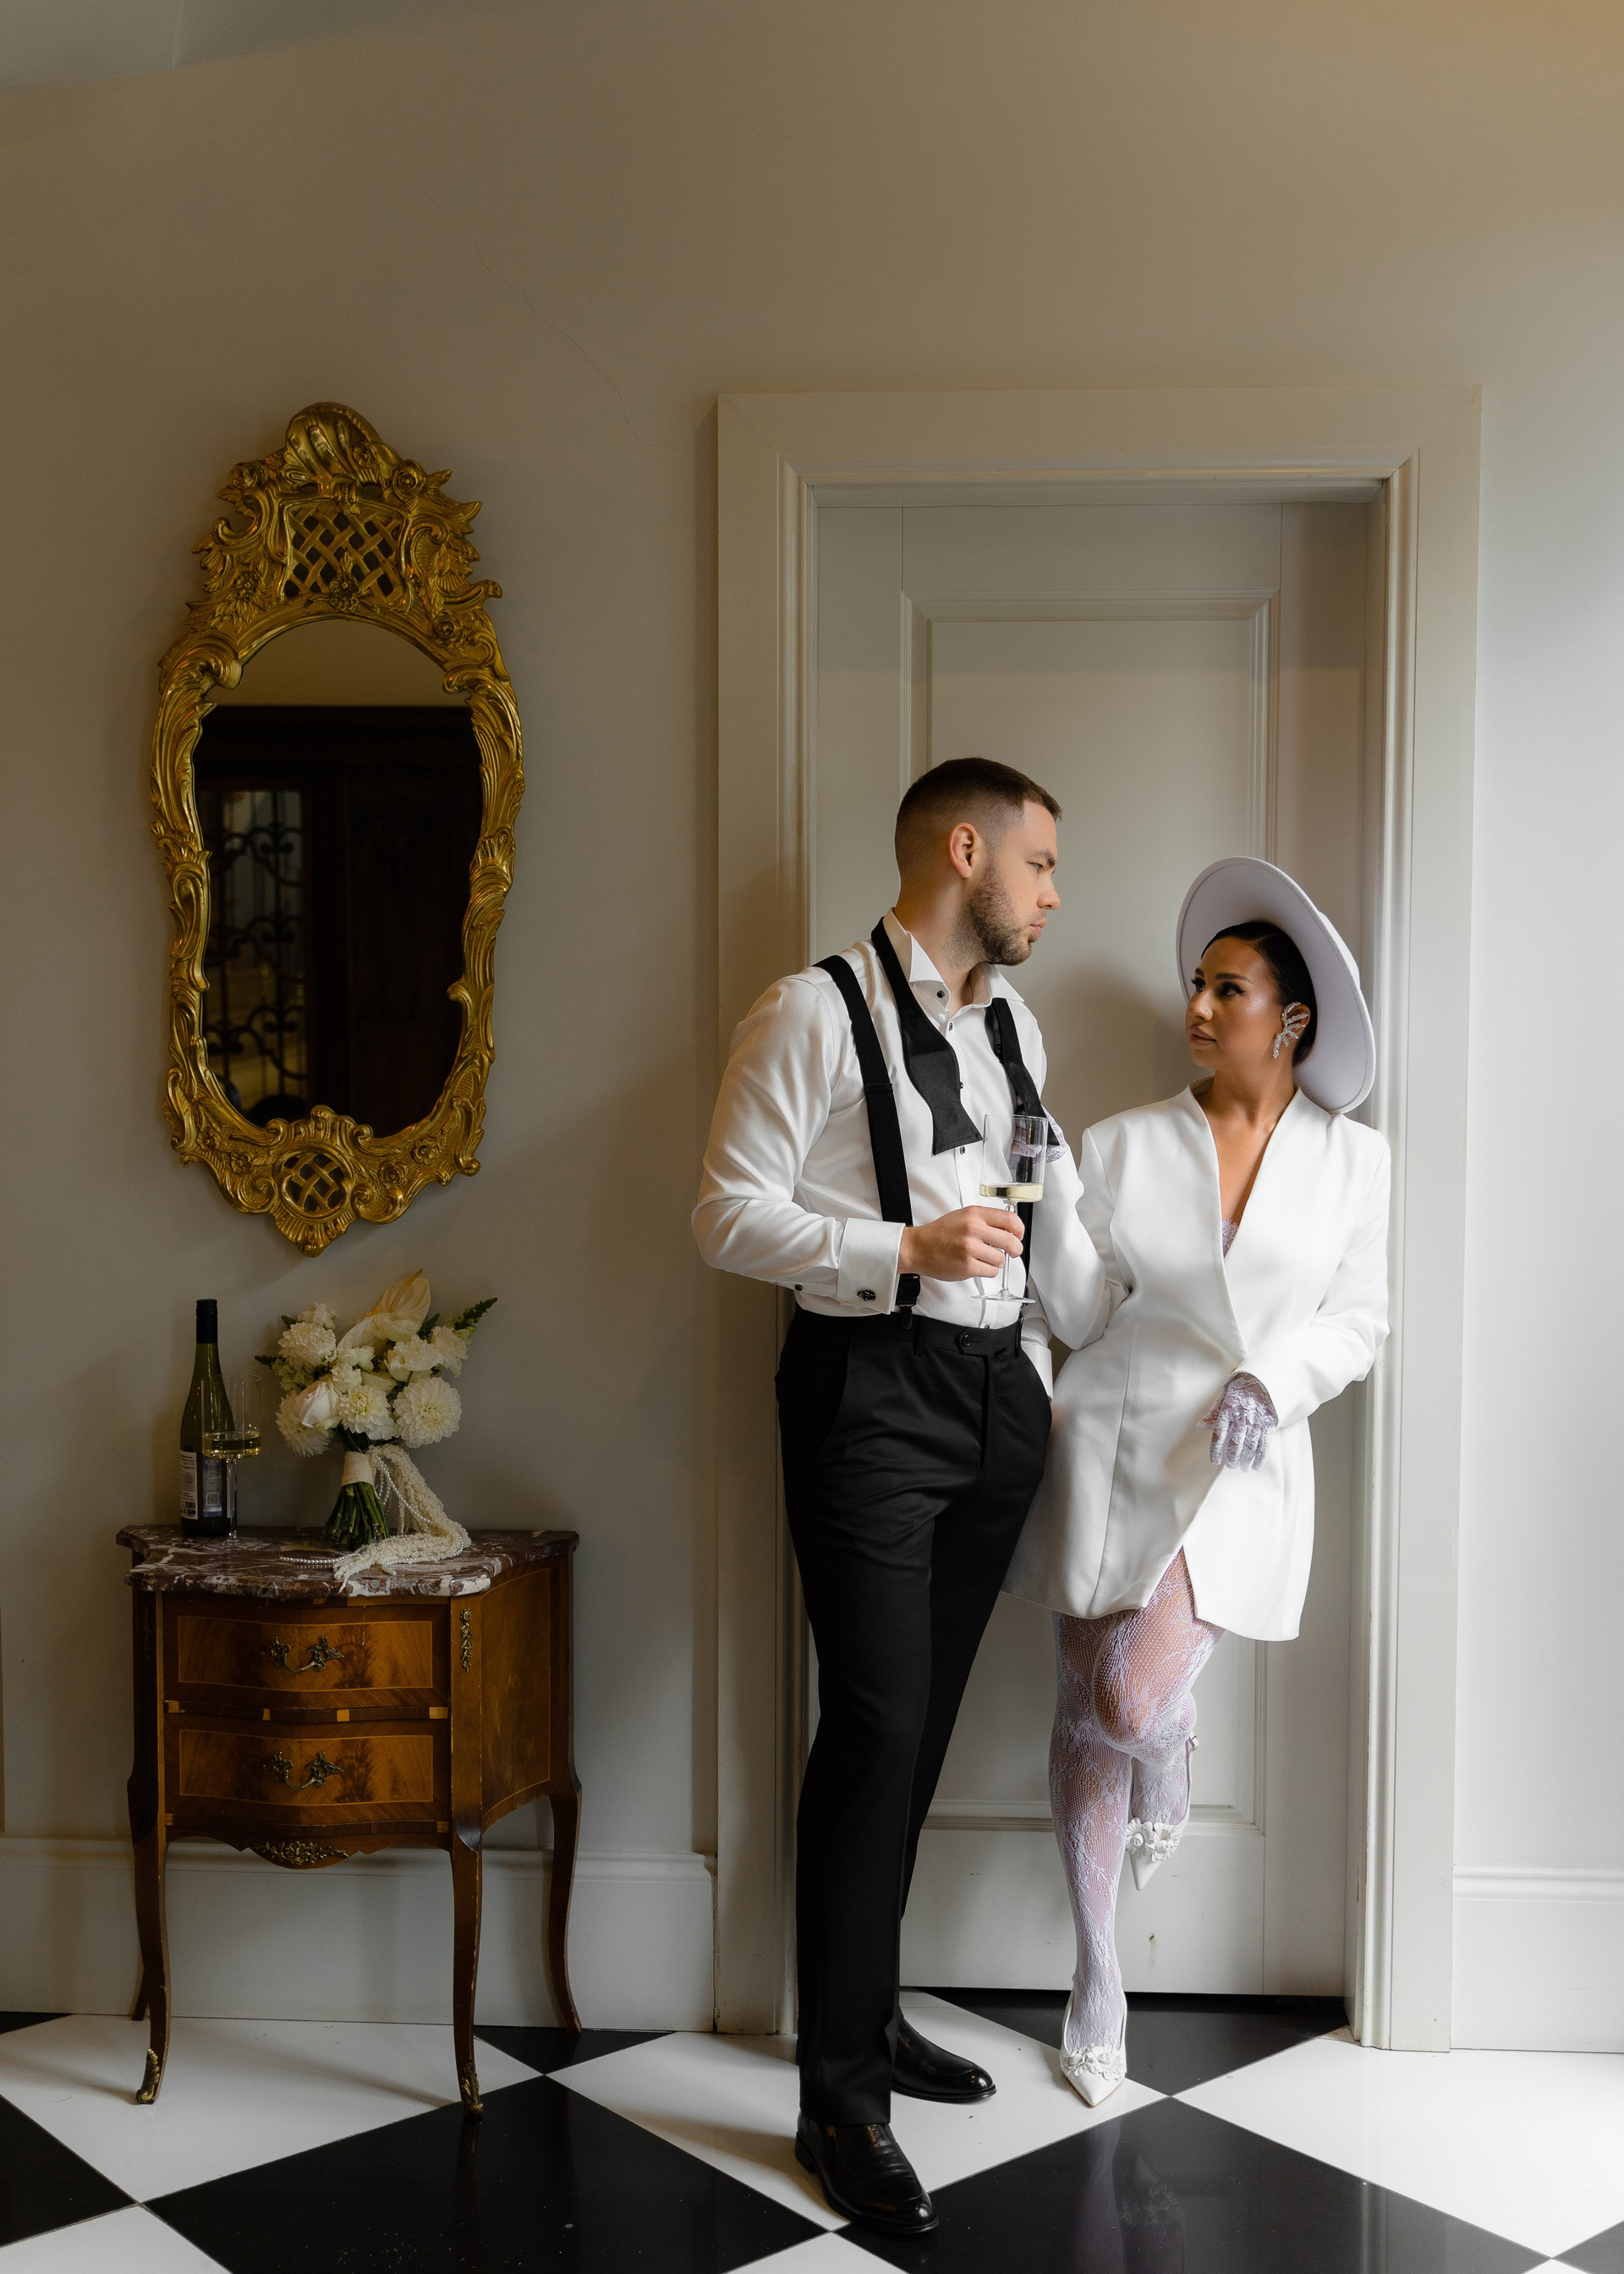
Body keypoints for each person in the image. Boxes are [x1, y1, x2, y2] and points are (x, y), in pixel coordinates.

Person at [693, 758, 1105, 2235]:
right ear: (965, 850)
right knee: (872, 1730)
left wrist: (1048, 1356)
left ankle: (863, 2016)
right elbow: (723, 1212)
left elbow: (1038, 1204)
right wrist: (899, 1251)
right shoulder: (811, 1011)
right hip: (869, 1399)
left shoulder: (1016, 1026)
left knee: (915, 1729)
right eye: (1041, 865)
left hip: (997, 1402)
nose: (1054, 896)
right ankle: (840, 2105)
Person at [1004, 856, 1391, 2108]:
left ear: (1292, 1020)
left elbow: (1360, 1321)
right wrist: (1043, 1189)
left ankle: (1170, 1751)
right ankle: (1097, 1972)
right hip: (1111, 1451)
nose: (1201, 1006)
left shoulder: (1355, 1165)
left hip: (1241, 1466)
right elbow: (1078, 1313)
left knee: (1130, 1699)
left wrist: (1274, 1382)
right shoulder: (1122, 1144)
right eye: (1198, 985)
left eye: (1230, 989)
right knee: (1083, 1705)